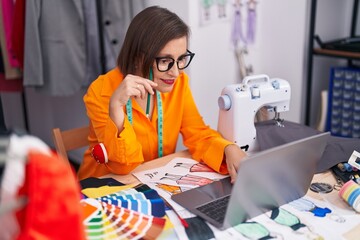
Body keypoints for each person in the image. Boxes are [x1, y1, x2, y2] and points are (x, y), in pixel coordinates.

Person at [77, 6, 247, 183]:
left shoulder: (179, 83)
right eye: (165, 61)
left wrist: (228, 148)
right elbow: (122, 167)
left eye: (181, 59)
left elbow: (197, 133)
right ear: (138, 58)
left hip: (153, 182)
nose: (176, 72)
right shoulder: (101, 91)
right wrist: (116, 108)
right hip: (103, 189)